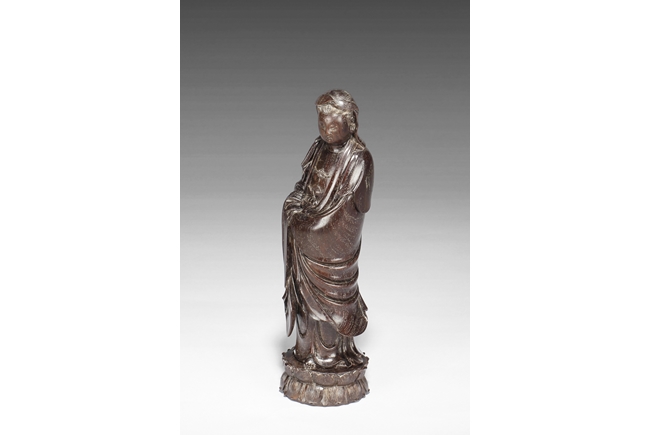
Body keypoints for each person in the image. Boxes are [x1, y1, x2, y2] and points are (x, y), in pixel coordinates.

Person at [282, 89, 374, 370]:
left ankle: (331, 357)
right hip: (308, 243)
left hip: (333, 249)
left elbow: (343, 215)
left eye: (332, 122)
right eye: (321, 121)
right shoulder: (318, 148)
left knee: (331, 308)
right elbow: (302, 187)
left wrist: (304, 224)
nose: (325, 128)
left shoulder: (359, 160)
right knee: (305, 302)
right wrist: (293, 207)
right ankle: (306, 353)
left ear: (350, 122)